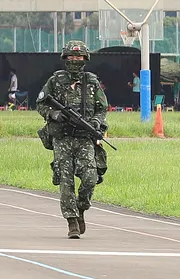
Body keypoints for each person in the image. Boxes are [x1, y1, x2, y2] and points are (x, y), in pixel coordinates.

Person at [36, 40, 108, 239]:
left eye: (78, 57)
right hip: (62, 138)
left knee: (90, 178)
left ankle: (81, 207)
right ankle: (72, 222)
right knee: (65, 181)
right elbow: (41, 103)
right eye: (71, 57)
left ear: (85, 59)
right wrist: (53, 115)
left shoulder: (91, 82)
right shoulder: (55, 81)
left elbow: (102, 109)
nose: (75, 60)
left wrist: (95, 122)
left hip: (85, 138)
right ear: (65, 59)